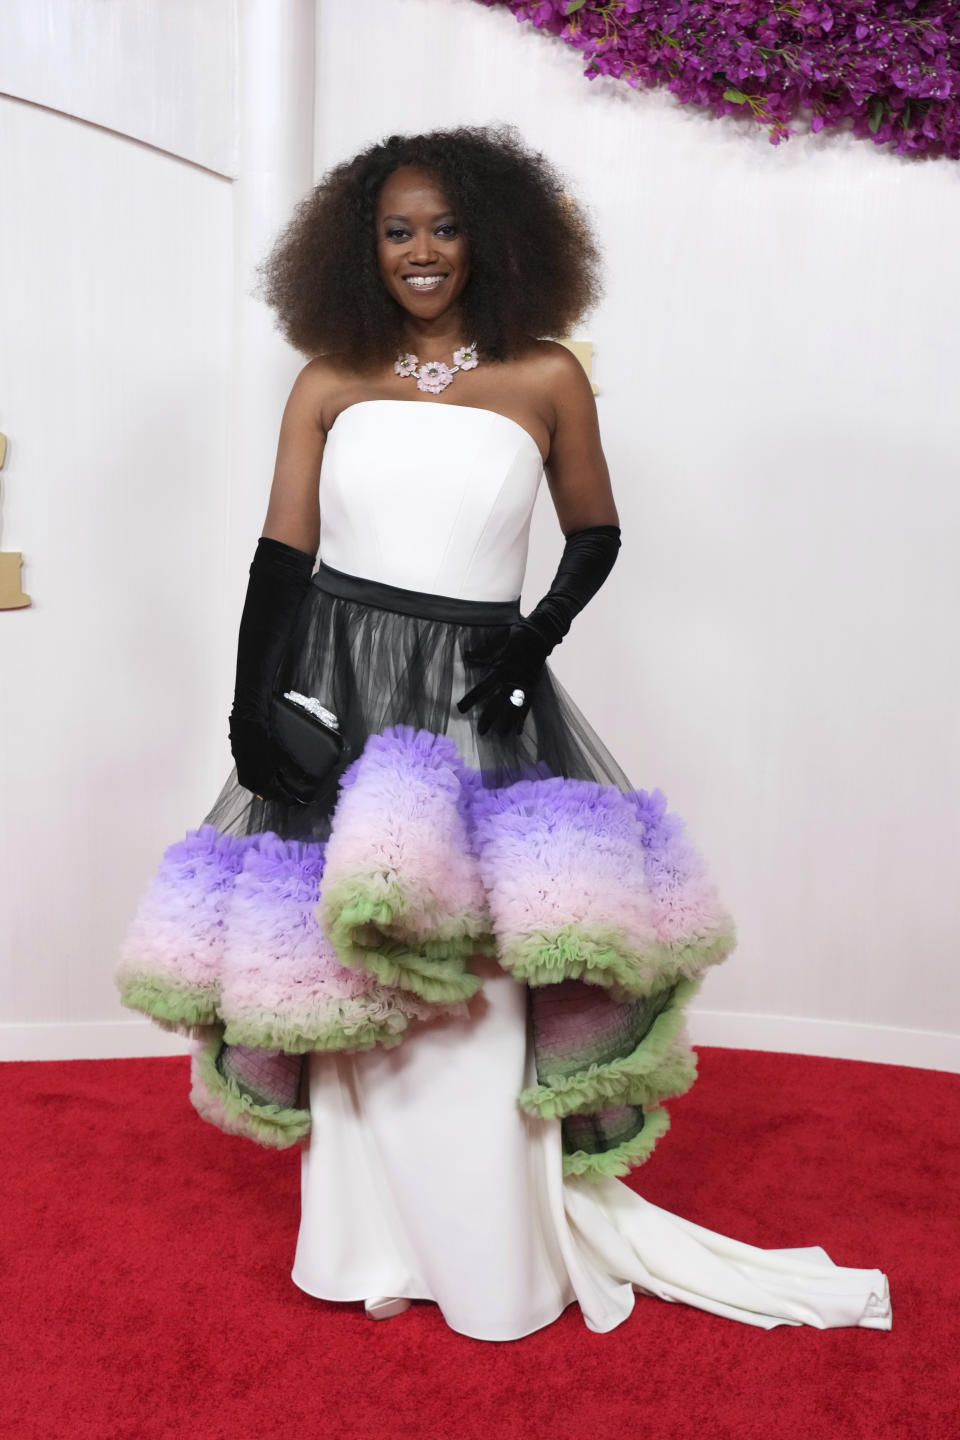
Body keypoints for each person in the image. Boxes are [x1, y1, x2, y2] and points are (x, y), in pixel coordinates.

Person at [117, 124, 891, 1341]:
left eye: (444, 226)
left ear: (490, 235)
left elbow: (596, 534)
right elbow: (280, 559)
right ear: (359, 250)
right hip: (337, 686)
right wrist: (245, 701)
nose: (421, 250)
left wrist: (533, 638)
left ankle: (491, 1254)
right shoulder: (327, 379)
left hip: (476, 695)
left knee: (474, 973)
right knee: (345, 970)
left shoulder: (543, 377)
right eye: (396, 230)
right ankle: (366, 1241)